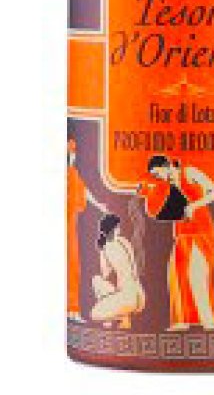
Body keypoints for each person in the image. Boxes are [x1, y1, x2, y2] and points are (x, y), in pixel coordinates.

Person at [138, 155, 214, 330]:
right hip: (182, 234)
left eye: (157, 173)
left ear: (166, 165)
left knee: (196, 277)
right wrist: (146, 192)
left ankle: (208, 324)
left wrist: (194, 206)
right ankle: (181, 321)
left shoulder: (189, 172)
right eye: (154, 175)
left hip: (200, 231)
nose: (158, 177)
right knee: (175, 275)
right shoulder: (167, 185)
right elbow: (160, 205)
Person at [66, 138, 107, 322]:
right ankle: (71, 310)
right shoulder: (69, 174)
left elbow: (84, 191)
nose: (72, 157)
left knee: (73, 266)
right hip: (68, 227)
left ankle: (72, 310)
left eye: (73, 154)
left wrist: (99, 205)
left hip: (71, 228)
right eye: (70, 154)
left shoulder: (73, 174)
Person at [90, 213, 145, 329]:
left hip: (129, 297)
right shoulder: (124, 242)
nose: (119, 228)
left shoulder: (107, 247)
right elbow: (134, 270)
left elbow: (105, 273)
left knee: (94, 314)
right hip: (136, 294)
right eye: (118, 226)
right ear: (114, 228)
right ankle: (123, 317)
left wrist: (103, 253)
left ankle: (119, 317)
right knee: (97, 280)